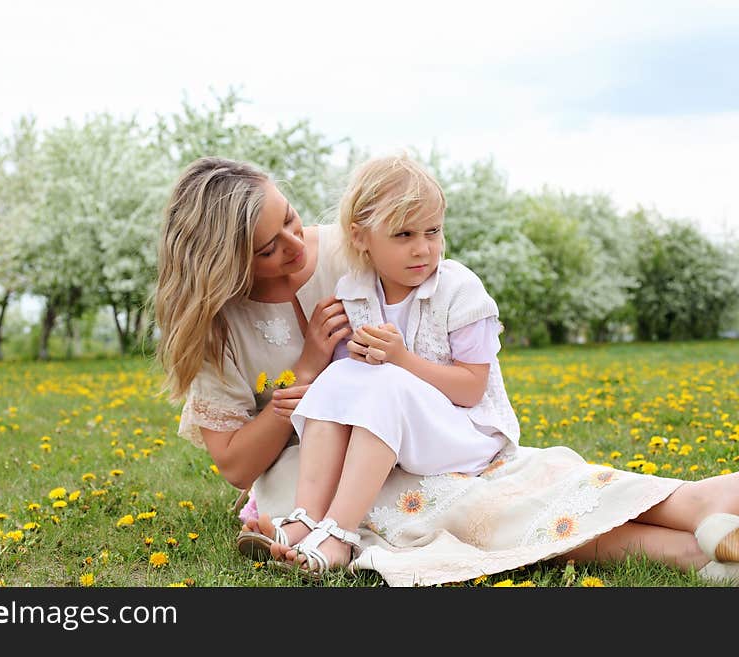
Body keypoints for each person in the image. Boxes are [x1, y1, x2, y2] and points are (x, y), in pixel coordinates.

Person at [155, 155, 739, 587]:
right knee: (492, 516)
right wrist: (306, 369)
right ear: (226, 266)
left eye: (290, 218)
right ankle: (702, 553)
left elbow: (422, 265)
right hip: (330, 473)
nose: (295, 243)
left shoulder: (351, 250)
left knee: (527, 495)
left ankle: (703, 512)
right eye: (267, 247)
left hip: (428, 441)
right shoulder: (219, 330)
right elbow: (235, 466)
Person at [263, 155, 519, 576]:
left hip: (465, 435)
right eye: (403, 234)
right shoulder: (356, 293)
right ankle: (306, 517)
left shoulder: (459, 289)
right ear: (361, 237)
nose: (423, 248)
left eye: (433, 231)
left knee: (382, 380)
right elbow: (350, 392)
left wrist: (400, 360)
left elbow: (472, 390)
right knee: (343, 373)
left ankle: (339, 535)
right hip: (404, 432)